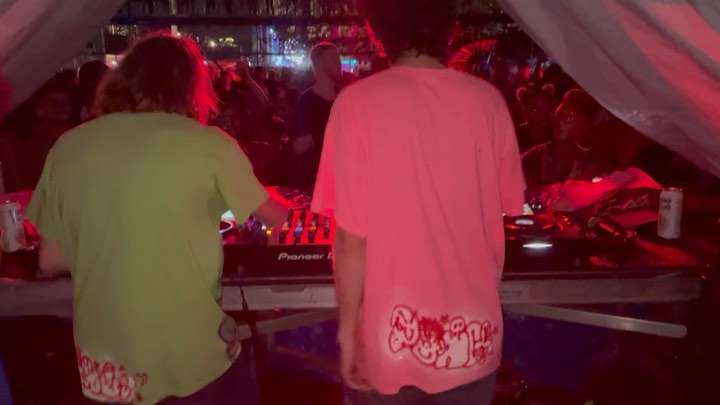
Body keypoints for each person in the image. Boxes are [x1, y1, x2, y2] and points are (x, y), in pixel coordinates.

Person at [25, 34, 288, 404]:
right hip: (191, 360)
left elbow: (51, 259)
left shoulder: (68, 146)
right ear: (190, 87)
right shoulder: (208, 144)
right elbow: (276, 216)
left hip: (107, 372)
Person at [311, 0, 526, 403]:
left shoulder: (356, 104)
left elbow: (352, 242)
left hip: (388, 342)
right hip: (471, 339)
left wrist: (348, 333)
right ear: (450, 27)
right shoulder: (489, 102)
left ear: (378, 32)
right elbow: (507, 207)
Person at [522, 89, 617, 187]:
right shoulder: (533, 158)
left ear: (586, 125)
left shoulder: (591, 163)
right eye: (558, 114)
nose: (560, 120)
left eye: (569, 118)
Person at [0, 78, 74, 191]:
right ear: (38, 106)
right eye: (53, 102)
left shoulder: (72, 133)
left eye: (66, 103)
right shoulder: (17, 141)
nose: (62, 107)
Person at [289, 41, 342, 189]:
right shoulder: (306, 101)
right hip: (316, 179)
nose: (339, 63)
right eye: (334, 58)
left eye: (338, 58)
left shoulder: (344, 96)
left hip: (342, 176)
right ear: (318, 63)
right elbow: (299, 146)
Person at [514, 83, 556, 153]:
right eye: (534, 109)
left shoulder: (555, 134)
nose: (540, 113)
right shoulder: (515, 135)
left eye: (544, 107)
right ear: (525, 111)